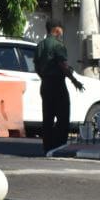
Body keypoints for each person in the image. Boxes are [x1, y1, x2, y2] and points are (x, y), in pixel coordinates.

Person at [33, 19, 83, 154]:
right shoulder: (58, 45)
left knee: (47, 117)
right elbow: (63, 65)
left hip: (45, 85)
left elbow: (37, 67)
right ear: (56, 30)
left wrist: (44, 77)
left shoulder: (40, 45)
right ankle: (59, 146)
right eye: (61, 29)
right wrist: (74, 80)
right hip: (58, 84)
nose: (62, 32)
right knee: (63, 116)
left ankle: (48, 146)